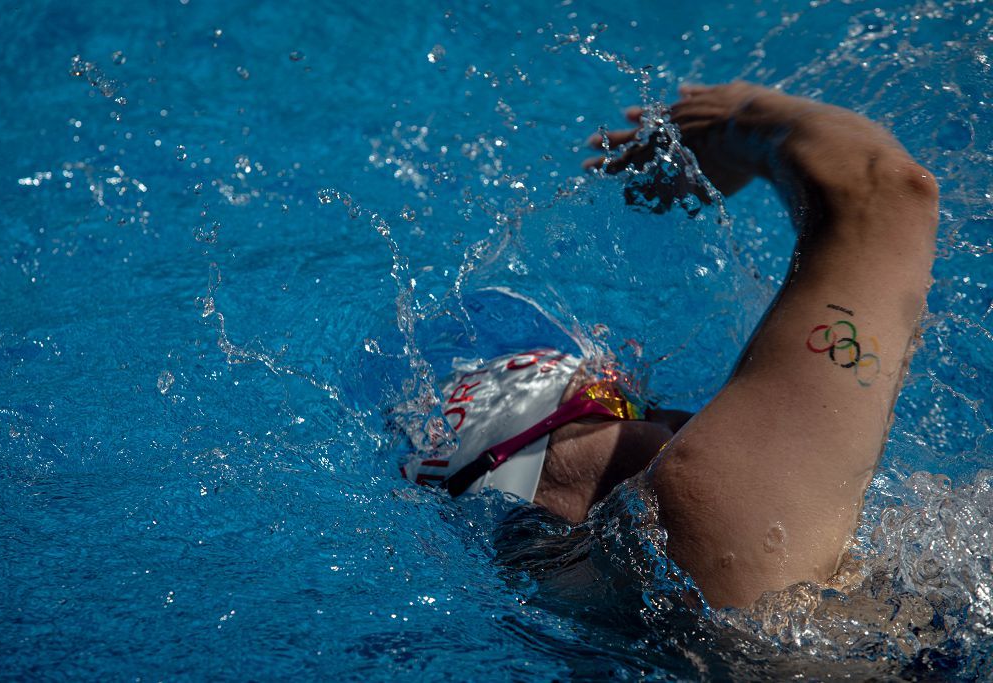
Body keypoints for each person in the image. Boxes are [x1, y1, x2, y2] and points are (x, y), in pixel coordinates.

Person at [402, 81, 939, 609]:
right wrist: (744, 121)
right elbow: (886, 191)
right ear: (533, 464)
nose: (681, 418)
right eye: (620, 404)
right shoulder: (699, 507)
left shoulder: (599, 617)